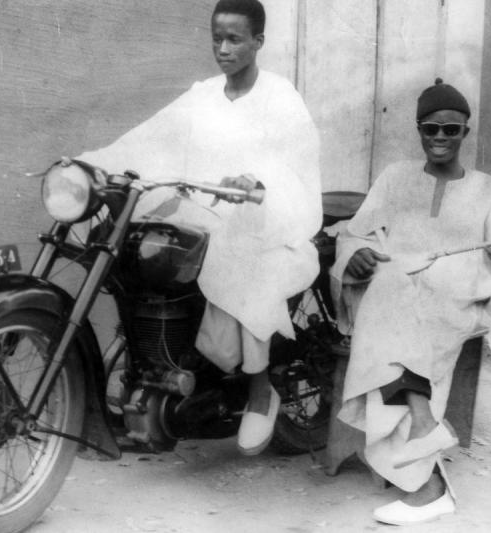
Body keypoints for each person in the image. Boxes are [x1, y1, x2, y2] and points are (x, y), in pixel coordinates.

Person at [76, 0, 322, 456]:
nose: (223, 48)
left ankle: (259, 390)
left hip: (265, 225)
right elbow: (149, 135)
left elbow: (299, 168)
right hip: (203, 215)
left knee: (243, 268)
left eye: (234, 39)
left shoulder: (280, 97)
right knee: (139, 250)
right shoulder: (202, 94)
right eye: (216, 38)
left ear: (258, 42)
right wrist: (95, 163)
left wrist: (259, 185)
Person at [329, 79, 491, 525]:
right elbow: (354, 233)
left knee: (390, 308)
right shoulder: (394, 178)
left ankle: (424, 474)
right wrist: (357, 255)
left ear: (465, 132)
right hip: (399, 293)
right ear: (419, 131)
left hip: (458, 298)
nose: (441, 139)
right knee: (391, 292)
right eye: (431, 129)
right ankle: (424, 440)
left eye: (451, 130)